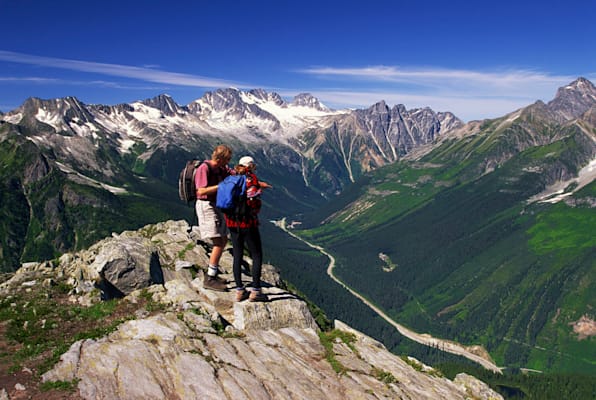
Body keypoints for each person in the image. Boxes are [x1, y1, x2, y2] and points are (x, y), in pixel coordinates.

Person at [226, 156, 272, 302]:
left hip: (232, 222)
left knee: (237, 254)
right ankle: (256, 291)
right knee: (256, 254)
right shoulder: (251, 179)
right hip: (248, 223)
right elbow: (253, 202)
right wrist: (259, 190)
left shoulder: (231, 177)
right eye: (254, 165)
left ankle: (240, 290)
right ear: (250, 165)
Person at [195, 144, 234, 291]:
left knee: (223, 239)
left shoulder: (221, 169)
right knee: (218, 241)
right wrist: (221, 186)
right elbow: (201, 190)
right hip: (206, 205)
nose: (228, 162)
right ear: (220, 158)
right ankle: (210, 279)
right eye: (227, 159)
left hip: (215, 205)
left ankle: (213, 273)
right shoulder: (204, 168)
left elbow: (233, 173)